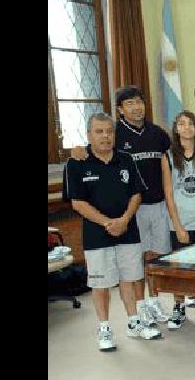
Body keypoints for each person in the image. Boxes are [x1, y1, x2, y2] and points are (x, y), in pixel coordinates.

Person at [68, 86, 174, 327]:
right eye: (130, 103)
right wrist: (78, 150)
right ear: (120, 109)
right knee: (120, 271)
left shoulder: (157, 133)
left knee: (148, 262)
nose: (136, 107)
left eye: (140, 101)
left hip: (150, 207)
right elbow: (95, 148)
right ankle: (131, 313)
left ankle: (149, 305)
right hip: (124, 215)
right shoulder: (107, 139)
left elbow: (168, 164)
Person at [161, 111, 195, 330]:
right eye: (182, 124)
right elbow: (168, 193)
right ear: (176, 129)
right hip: (181, 222)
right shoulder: (167, 156)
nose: (186, 127)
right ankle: (179, 307)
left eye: (191, 123)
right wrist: (177, 225)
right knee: (179, 268)